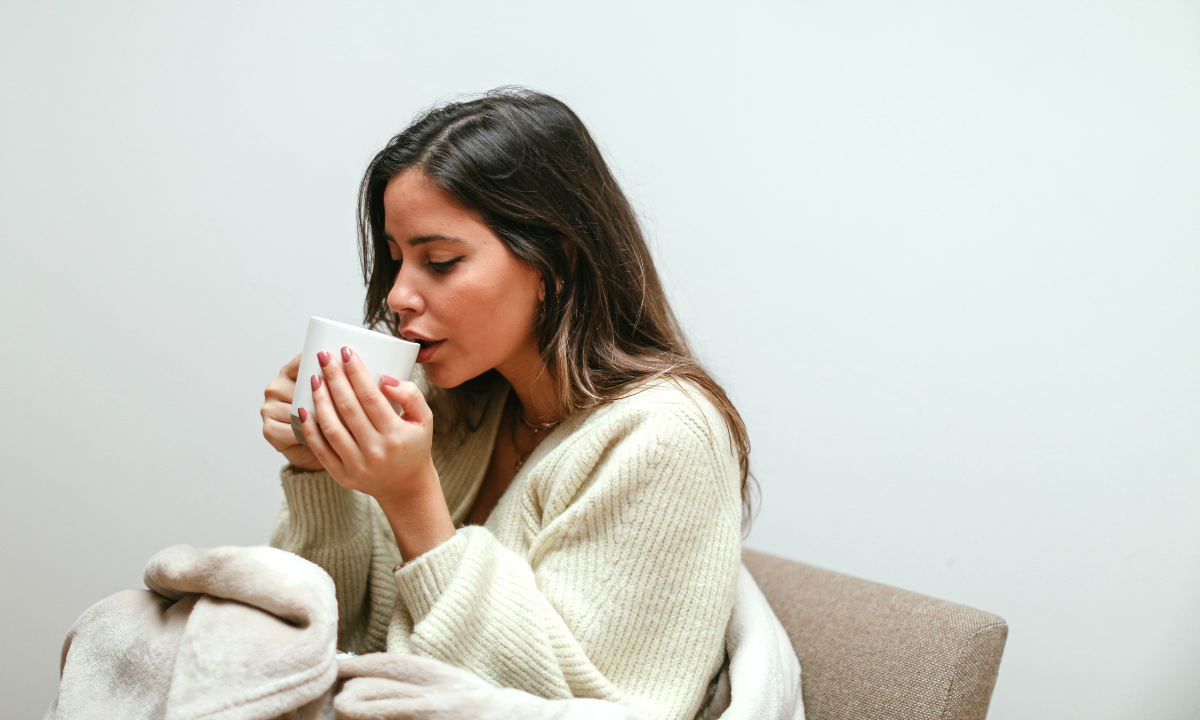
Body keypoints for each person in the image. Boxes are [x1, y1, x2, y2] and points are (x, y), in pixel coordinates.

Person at [259, 88, 753, 720]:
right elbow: (334, 641)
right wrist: (321, 472)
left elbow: (569, 705)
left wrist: (414, 502)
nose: (399, 296)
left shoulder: (667, 435)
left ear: (555, 260)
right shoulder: (458, 402)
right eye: (396, 260)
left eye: (440, 261)